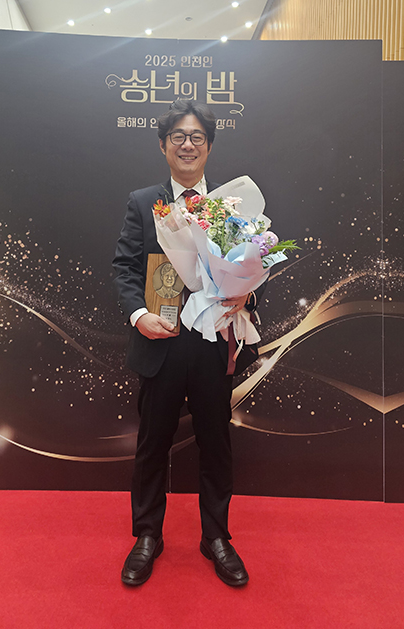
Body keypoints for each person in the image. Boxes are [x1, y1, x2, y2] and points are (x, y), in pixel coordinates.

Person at [113, 99, 263, 587]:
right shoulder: (143, 202)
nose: (187, 144)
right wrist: (138, 315)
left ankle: (215, 536)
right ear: (163, 145)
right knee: (152, 444)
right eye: (178, 136)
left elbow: (252, 263)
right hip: (160, 342)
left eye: (197, 136)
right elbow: (124, 268)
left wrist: (246, 294)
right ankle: (147, 535)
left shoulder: (230, 205)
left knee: (216, 443)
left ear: (209, 146)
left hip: (213, 343)